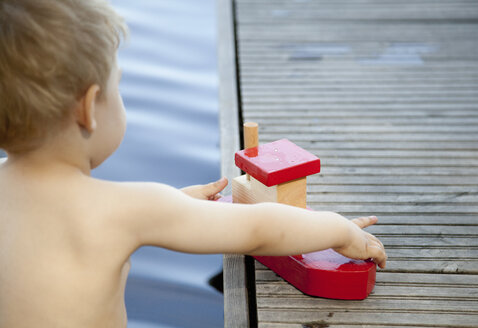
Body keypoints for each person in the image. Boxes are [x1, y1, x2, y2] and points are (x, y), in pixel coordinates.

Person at [0, 0, 387, 327]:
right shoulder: (130, 208)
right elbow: (258, 228)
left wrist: (176, 204)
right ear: (89, 108)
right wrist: (337, 230)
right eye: (119, 86)